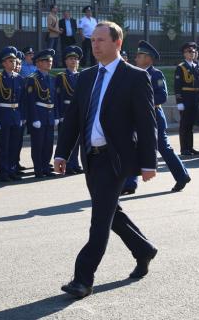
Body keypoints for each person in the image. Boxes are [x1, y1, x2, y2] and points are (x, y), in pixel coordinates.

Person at [54, 21, 158, 299]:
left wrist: (149, 163)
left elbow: (147, 124)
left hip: (116, 159)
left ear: (117, 43)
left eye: (101, 40)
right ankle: (144, 250)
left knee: (100, 219)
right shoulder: (87, 77)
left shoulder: (134, 77)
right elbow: (74, 118)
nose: (95, 45)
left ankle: (82, 278)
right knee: (111, 212)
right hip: (91, 158)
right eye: (93, 40)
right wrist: (62, 152)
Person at [122, 40, 190, 195]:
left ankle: (182, 175)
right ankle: (130, 184)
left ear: (148, 58)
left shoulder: (156, 74)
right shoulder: (133, 74)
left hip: (153, 116)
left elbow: (162, 96)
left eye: (139, 55)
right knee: (132, 147)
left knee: (163, 147)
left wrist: (142, 104)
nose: (136, 58)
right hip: (136, 116)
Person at [0, 46, 25, 182]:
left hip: (15, 115)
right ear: (4, 63)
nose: (14, 64)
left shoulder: (19, 78)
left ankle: (12, 169)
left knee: (14, 145)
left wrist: (22, 117)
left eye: (15, 61)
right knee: (3, 145)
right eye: (10, 61)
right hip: (3, 115)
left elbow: (22, 101)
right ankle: (3, 171)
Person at [26, 49, 59, 178]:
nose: (49, 63)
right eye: (46, 61)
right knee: (38, 144)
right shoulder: (32, 79)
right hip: (39, 115)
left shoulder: (52, 79)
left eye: (50, 61)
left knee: (48, 144)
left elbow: (55, 99)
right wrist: (34, 118)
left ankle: (46, 166)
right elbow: (30, 101)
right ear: (38, 63)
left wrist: (56, 115)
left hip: (49, 115)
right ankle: (38, 169)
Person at [55, 45, 83, 175]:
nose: (73, 61)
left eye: (76, 59)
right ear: (66, 61)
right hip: (66, 110)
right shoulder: (61, 77)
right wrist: (60, 114)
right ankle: (68, 165)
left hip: (79, 111)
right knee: (67, 139)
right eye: (71, 59)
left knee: (78, 140)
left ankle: (75, 164)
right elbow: (58, 97)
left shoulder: (82, 76)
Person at [174, 42, 199, 155]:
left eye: (194, 52)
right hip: (186, 98)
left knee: (191, 125)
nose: (192, 53)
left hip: (195, 98)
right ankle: (184, 148)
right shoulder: (181, 67)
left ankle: (190, 147)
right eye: (189, 52)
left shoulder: (196, 66)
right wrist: (179, 101)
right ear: (184, 53)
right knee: (184, 124)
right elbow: (177, 85)